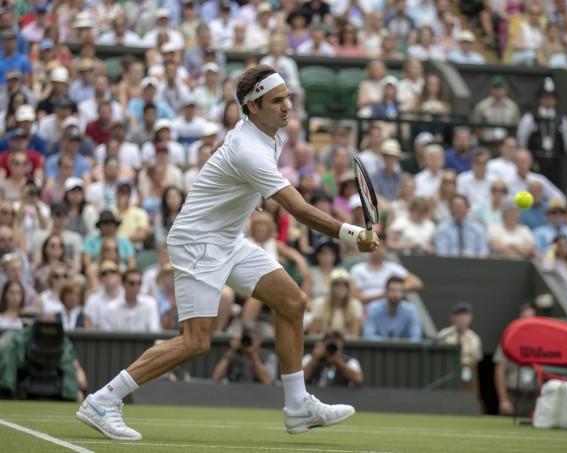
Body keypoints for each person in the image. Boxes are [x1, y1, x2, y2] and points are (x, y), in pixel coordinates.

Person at [76, 65, 378, 439]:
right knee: (196, 341)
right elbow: (298, 209)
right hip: (197, 243)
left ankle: (298, 406)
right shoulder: (249, 149)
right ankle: (104, 400)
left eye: (288, 99)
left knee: (292, 301)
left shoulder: (270, 135)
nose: (287, 107)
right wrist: (352, 235)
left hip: (228, 238)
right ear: (253, 107)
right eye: (277, 101)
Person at [516, 77, 567, 188]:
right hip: (535, 161)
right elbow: (522, 141)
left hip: (554, 161)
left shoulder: (562, 120)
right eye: (545, 97)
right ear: (540, 99)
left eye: (551, 98)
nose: (548, 101)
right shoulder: (530, 118)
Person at [494, 303, 537, 415]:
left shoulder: (540, 342)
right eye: (525, 318)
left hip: (532, 395)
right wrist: (503, 400)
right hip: (512, 394)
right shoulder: (509, 340)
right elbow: (500, 370)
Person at [350, 241, 423, 304]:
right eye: (374, 246)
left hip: (390, 306)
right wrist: (381, 295)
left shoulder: (392, 267)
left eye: (380, 247)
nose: (377, 250)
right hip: (366, 308)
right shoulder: (358, 269)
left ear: (385, 250)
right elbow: (356, 297)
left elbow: (416, 283)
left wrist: (394, 290)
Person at [211, 324, 278, 384]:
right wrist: (232, 350)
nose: (250, 341)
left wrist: (253, 355)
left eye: (254, 338)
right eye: (248, 338)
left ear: (260, 339)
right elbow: (216, 378)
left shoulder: (268, 355)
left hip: (259, 394)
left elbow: (268, 380)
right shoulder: (234, 354)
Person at [437, 302, 483, 388]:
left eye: (466, 315)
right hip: (447, 372)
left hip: (467, 374)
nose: (463, 319)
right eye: (460, 315)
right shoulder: (444, 335)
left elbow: (475, 362)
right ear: (453, 318)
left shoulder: (474, 338)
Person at [362, 276, 423, 340]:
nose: (396, 294)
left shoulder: (411, 310)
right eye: (393, 290)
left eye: (400, 291)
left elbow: (416, 337)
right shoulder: (374, 308)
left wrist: (399, 344)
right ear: (386, 291)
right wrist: (388, 343)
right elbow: (368, 335)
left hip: (404, 349)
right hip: (378, 348)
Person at [308, 268, 363, 338]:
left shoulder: (355, 305)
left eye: (345, 285)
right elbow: (312, 334)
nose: (341, 288)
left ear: (348, 288)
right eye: (337, 285)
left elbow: (355, 335)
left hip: (348, 346)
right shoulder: (319, 304)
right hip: (324, 343)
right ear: (331, 287)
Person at [101, 269, 160, 333]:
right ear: (123, 284)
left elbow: (154, 331)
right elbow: (108, 335)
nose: (136, 286)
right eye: (132, 283)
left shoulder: (150, 304)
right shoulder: (110, 308)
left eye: (139, 283)